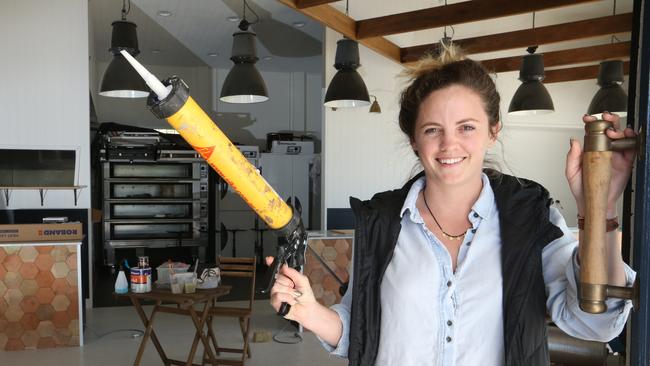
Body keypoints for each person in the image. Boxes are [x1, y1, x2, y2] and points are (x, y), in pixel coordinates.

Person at [267, 45, 636, 366]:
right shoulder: (382, 221)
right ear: (414, 140)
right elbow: (360, 334)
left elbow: (595, 323)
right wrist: (310, 312)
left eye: (467, 127)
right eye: (432, 130)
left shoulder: (531, 218)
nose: (449, 145)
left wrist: (600, 205)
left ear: (494, 130)